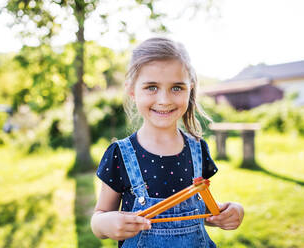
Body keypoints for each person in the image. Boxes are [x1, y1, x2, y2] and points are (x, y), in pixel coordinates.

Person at [91, 37, 244, 248]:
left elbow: (199, 209)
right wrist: (104, 223)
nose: (164, 100)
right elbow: (99, 217)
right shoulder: (120, 154)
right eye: (152, 87)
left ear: (190, 89)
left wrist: (227, 212)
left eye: (177, 88)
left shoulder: (198, 149)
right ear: (132, 90)